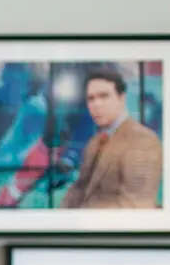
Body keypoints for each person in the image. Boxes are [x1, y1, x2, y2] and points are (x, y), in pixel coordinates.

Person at [58, 68, 163, 209]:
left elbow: (135, 207)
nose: (96, 105)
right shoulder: (94, 143)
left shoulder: (143, 141)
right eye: (91, 99)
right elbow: (78, 190)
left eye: (104, 96)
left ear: (122, 98)